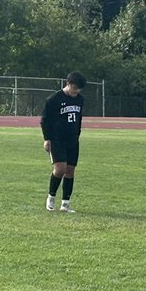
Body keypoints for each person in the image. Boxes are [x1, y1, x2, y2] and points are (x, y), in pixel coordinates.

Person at [41, 71, 85, 213]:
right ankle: (51, 196)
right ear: (68, 84)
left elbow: (78, 119)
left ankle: (65, 204)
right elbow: (44, 120)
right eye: (74, 88)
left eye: (79, 89)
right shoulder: (53, 100)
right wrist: (47, 139)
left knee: (70, 171)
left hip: (72, 139)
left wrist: (77, 134)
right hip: (57, 139)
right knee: (60, 169)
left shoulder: (80, 99)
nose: (76, 91)